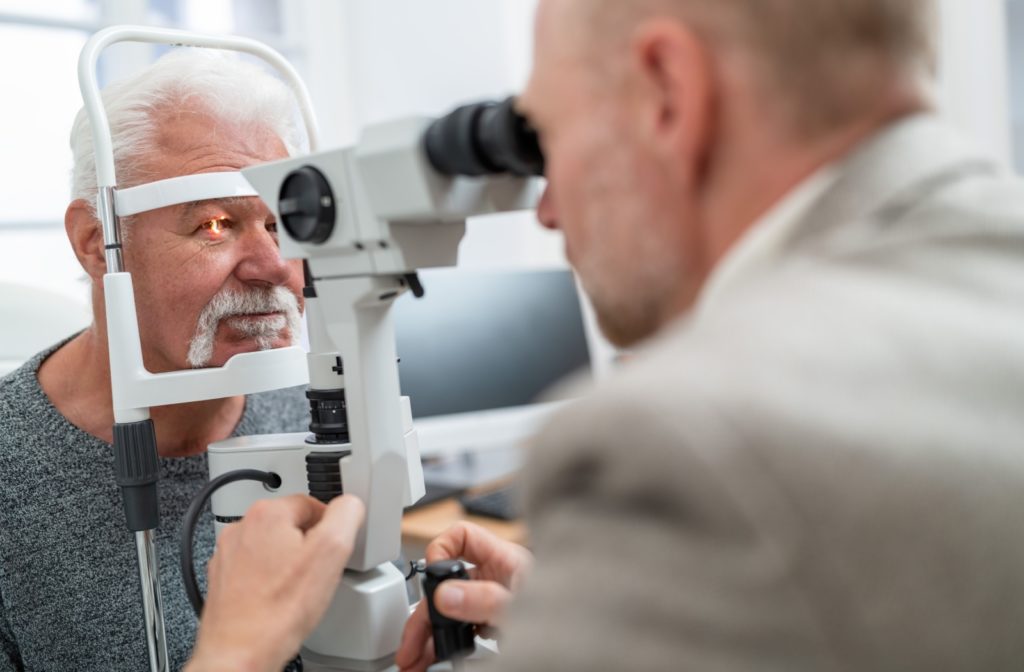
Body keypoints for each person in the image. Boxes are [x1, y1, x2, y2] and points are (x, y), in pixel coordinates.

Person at [195, 0, 1024, 669]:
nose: (549, 209)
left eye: (550, 140)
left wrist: (232, 653)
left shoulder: (683, 443)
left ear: (668, 89)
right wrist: (608, 616)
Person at [0, 49, 318, 671]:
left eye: (282, 224)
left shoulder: (318, 405)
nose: (274, 267)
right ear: (96, 244)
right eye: (215, 225)